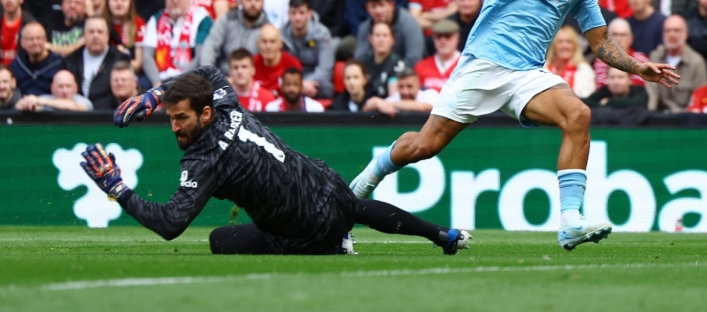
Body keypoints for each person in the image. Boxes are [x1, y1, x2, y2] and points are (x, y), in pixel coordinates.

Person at [349, 0, 680, 251]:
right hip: (482, 63)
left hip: (527, 74)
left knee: (578, 114)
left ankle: (570, 222)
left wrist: (638, 66)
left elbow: (599, 42)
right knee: (424, 147)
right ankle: (362, 185)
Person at [86, 66, 472, 254]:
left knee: (220, 240)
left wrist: (116, 187)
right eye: (169, 118)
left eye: (181, 118)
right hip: (328, 184)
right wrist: (157, 94)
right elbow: (210, 73)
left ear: (205, 115)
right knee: (354, 207)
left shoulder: (203, 160)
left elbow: (170, 224)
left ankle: (333, 248)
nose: (173, 128)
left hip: (304, 230)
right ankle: (441, 234)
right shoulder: (224, 99)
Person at [142, 0, 213, 86]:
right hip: (160, 79)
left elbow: (200, 57)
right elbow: (147, 55)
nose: (175, 0)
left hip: (190, 79)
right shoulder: (156, 19)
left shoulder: (202, 19)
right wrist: (156, 83)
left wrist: (179, 82)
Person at [199, 0, 267, 73]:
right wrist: (209, 74)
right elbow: (211, 45)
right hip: (224, 75)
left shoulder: (267, 28)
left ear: (263, 2)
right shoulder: (228, 19)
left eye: (257, 0)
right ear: (241, 1)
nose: (253, 4)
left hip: (253, 77)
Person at [353, 0, 423, 69]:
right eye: (373, 6)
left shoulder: (409, 23)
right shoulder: (365, 28)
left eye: (382, 5)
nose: (378, 11)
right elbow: (360, 59)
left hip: (404, 74)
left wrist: (392, 74)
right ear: (367, 8)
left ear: (391, 5)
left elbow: (414, 58)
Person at [645, 14, 707, 112]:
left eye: (676, 30)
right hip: (659, 120)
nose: (671, 34)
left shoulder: (697, 62)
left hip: (685, 121)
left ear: (686, 34)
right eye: (667, 31)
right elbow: (652, 95)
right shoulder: (655, 57)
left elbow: (699, 100)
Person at [64, 16, 128, 104]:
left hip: (107, 112)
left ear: (107, 36)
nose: (95, 36)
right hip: (75, 112)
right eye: (91, 32)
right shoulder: (71, 59)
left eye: (100, 32)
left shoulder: (120, 58)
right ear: (84, 36)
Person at [280, 0, 333, 99]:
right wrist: (298, 84)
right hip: (290, 81)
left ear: (309, 14)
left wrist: (301, 84)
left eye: (301, 13)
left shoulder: (322, 34)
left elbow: (325, 71)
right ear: (288, 14)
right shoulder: (281, 35)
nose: (297, 17)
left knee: (327, 87)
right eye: (293, 13)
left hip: (314, 81)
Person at [10, 21, 64, 95]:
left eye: (39, 38)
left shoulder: (59, 64)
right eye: (30, 39)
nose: (35, 42)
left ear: (45, 40)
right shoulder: (16, 65)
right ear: (22, 43)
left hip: (51, 104)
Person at [543, 26, 595, 98]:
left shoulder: (584, 69)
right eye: (560, 42)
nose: (564, 46)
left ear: (574, 46)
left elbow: (587, 95)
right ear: (554, 46)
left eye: (568, 42)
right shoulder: (543, 68)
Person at [106, 0, 144, 73]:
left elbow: (138, 64)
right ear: (108, 2)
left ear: (130, 2)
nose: (119, 3)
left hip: (130, 72)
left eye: (123, 0)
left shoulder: (138, 23)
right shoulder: (101, 24)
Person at [15, 68, 94, 111]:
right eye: (60, 86)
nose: (65, 91)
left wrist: (39, 101)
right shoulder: (45, 99)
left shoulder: (83, 101)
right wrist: (28, 105)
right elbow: (18, 106)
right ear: (52, 88)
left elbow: (73, 107)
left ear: (75, 88)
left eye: (68, 86)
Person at [252, 23, 301, 92]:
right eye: (264, 41)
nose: (268, 46)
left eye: (272, 42)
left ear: (280, 44)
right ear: (258, 43)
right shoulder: (251, 63)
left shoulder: (292, 64)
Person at [227, 47, 277, 112]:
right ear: (230, 71)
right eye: (235, 67)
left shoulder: (267, 98)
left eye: (244, 67)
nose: (240, 71)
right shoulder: (223, 98)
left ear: (253, 70)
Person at [583, 67, 649, 109]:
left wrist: (608, 102)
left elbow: (638, 103)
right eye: (612, 77)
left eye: (620, 77)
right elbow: (586, 102)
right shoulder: (604, 91)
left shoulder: (640, 91)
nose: (616, 82)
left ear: (629, 80)